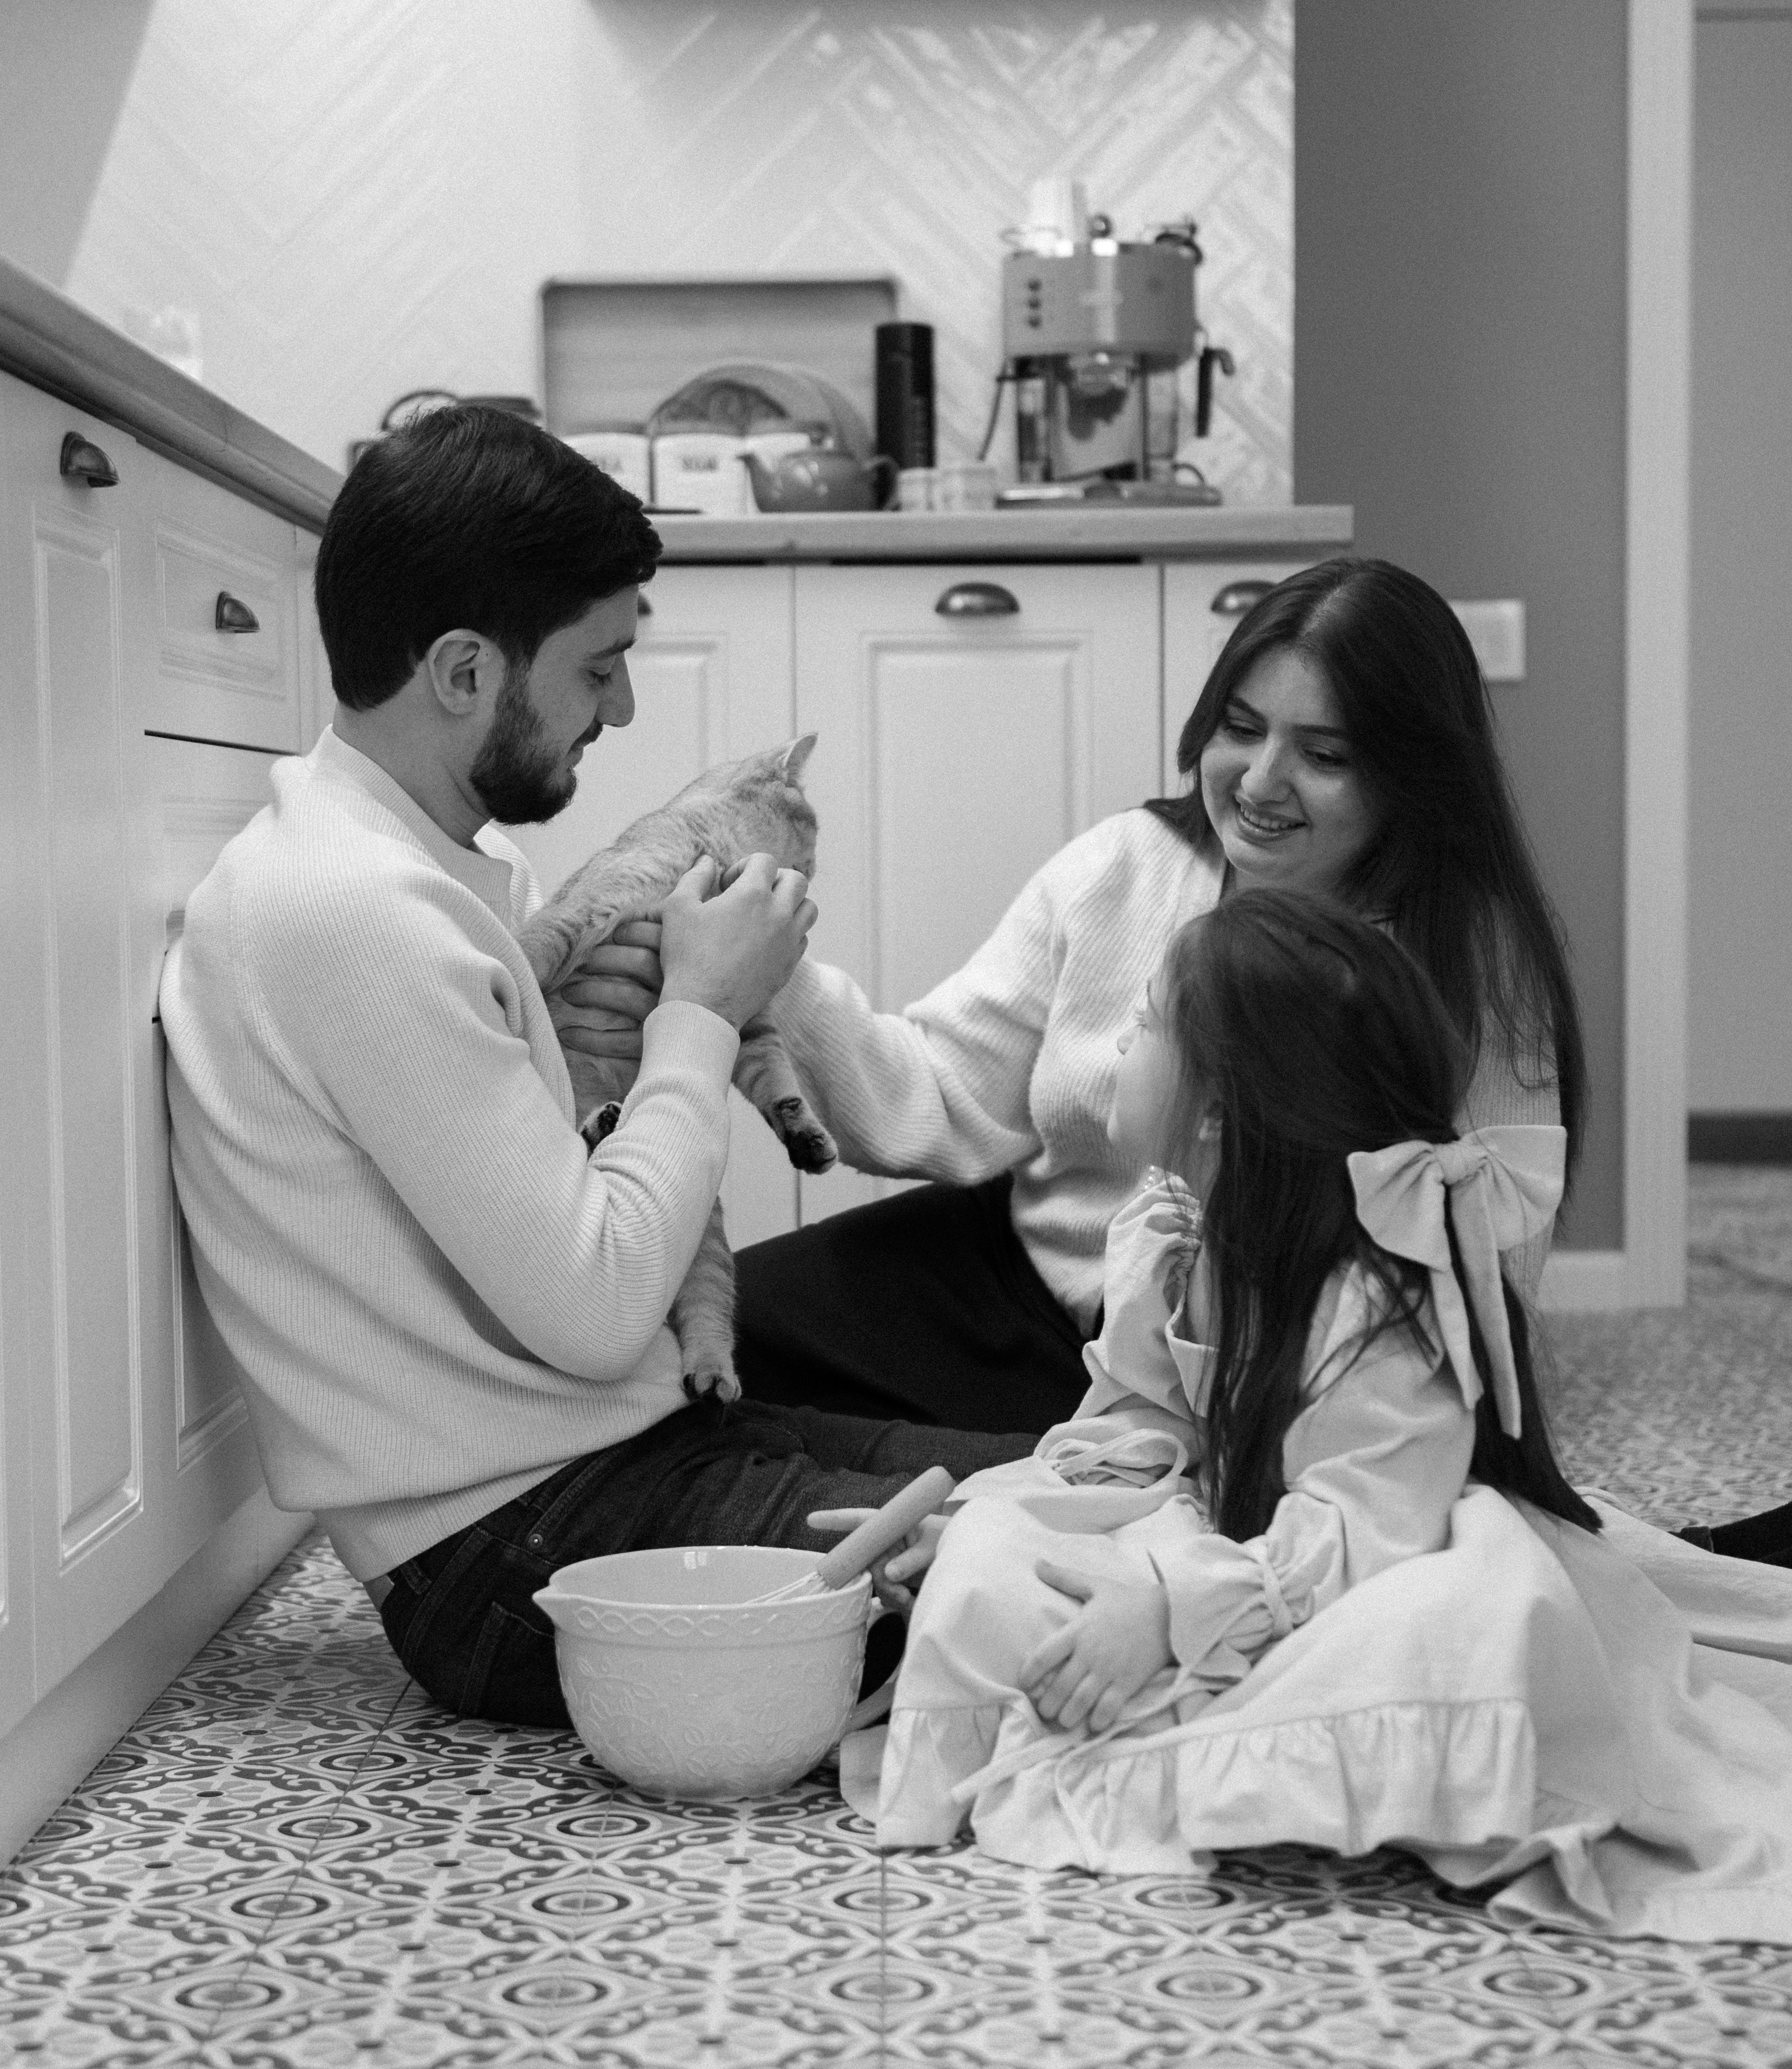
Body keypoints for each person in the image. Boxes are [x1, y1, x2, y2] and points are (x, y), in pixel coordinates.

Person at [159, 408, 1031, 1732]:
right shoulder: (346, 913)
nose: (620, 709)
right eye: (597, 668)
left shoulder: (442, 870)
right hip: (510, 1560)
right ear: (462, 671)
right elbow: (597, 1302)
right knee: (1083, 1567)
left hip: (614, 1463)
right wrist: (700, 1003)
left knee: (1080, 1486)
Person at [850, 892, 1792, 1943]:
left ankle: (1260, 1751)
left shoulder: (1367, 1303)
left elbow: (1365, 1528)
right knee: (995, 1542)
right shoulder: (1170, 1235)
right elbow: (1140, 1430)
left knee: (1465, 1623)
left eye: (1149, 1018)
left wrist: (1173, 1604)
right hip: (1247, 1530)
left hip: (1381, 1548)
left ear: (1217, 1109)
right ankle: (1130, 1671)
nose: (1119, 1038)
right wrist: (1038, 1515)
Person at [563, 556, 1584, 1436]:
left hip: (1225, 1353)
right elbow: (939, 1096)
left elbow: (1481, 1285)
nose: (1262, 781)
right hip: (1014, 1268)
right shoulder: (1124, 870)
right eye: (1241, 728)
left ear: (1411, 779)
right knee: (700, 1353)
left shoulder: (1471, 969)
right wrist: (756, 969)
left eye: (1323, 756)